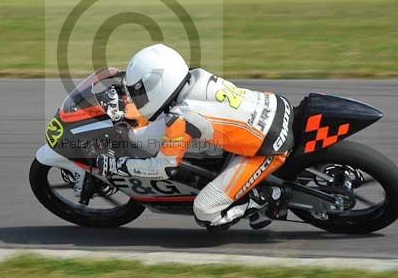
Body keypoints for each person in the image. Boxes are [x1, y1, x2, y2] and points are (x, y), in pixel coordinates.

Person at [94, 43, 294, 230]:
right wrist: (128, 122)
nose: (137, 98)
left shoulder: (181, 117)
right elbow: (165, 123)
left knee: (205, 211)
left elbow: (163, 168)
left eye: (139, 92)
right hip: (275, 105)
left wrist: (117, 166)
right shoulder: (196, 76)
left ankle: (263, 198)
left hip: (268, 148)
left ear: (159, 85)